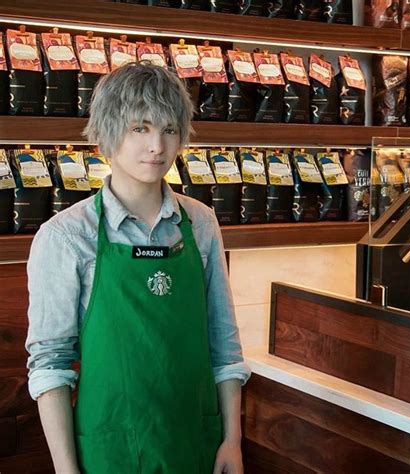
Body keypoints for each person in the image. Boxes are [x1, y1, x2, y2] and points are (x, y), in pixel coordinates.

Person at [25, 62, 251, 474]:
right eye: (140, 128)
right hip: (109, 447)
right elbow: (50, 364)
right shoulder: (65, 236)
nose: (157, 146)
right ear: (108, 136)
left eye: (169, 129)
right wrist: (66, 470)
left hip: (195, 442)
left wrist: (231, 440)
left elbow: (224, 344)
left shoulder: (200, 223)